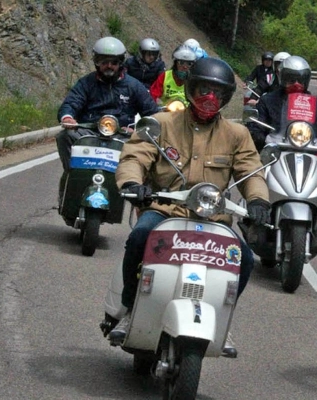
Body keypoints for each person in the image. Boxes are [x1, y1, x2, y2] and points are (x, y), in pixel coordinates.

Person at [109, 57, 271, 357]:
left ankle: (222, 319)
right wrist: (133, 184)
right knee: (139, 237)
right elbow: (135, 156)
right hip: (163, 210)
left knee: (244, 259)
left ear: (225, 99)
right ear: (190, 89)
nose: (209, 99)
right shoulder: (160, 123)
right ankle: (130, 307)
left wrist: (259, 201)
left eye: (217, 93)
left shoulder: (237, 134)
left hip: (213, 217)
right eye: (203, 90)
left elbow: (252, 171)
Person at [57, 36, 158, 172]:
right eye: (103, 62)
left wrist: (138, 131)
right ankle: (72, 176)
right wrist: (67, 117)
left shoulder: (134, 86)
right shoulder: (86, 83)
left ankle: (134, 183)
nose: (109, 66)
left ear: (121, 63)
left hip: (123, 135)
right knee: (64, 136)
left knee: (148, 145)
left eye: (114, 62)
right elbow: (71, 103)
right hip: (90, 132)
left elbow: (152, 112)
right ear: (96, 62)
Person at [247, 55, 317, 153]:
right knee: (252, 166)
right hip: (274, 152)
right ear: (282, 77)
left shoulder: (316, 104)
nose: (296, 84)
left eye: (301, 80)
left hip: (307, 151)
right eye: (291, 79)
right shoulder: (267, 100)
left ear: (306, 80)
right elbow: (257, 126)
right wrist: (260, 136)